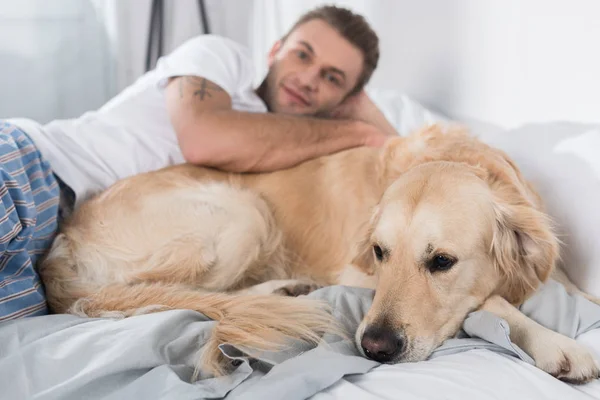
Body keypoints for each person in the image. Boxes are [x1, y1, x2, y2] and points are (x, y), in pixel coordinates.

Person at [0, 5, 396, 320]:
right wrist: (359, 133)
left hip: (56, 245)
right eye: (302, 54)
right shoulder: (222, 58)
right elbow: (203, 139)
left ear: (345, 99)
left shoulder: (295, 155)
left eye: (332, 78)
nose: (308, 78)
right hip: (32, 165)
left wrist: (366, 116)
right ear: (274, 51)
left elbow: (400, 158)